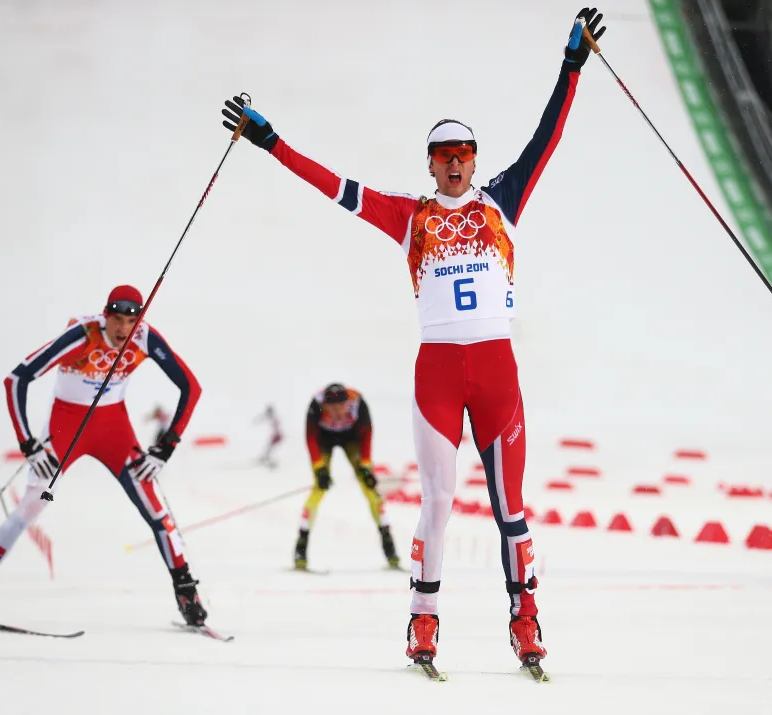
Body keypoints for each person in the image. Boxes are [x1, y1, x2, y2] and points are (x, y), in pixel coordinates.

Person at [221, 6, 606, 669]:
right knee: (437, 504)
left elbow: (548, 136)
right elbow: (335, 189)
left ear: (474, 160)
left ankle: (524, 617)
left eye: (462, 157)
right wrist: (270, 142)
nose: (454, 167)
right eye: (443, 158)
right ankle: (423, 620)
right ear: (429, 163)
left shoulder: (501, 200)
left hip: (494, 370)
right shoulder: (410, 214)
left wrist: (571, 64)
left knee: (511, 508)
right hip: (436, 371)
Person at [0, 286, 208, 626]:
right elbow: (16, 379)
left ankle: (187, 593)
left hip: (115, 433)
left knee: (155, 510)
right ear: (105, 315)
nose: (122, 330)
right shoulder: (83, 335)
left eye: (130, 322)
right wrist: (28, 443)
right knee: (36, 502)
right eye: (116, 320)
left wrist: (166, 447)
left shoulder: (145, 337)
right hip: (66, 431)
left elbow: (191, 387)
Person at [294, 384, 399, 570]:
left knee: (370, 490)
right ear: (324, 405)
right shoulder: (315, 405)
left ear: (347, 403)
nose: (335, 412)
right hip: (323, 440)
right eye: (330, 407)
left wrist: (366, 466)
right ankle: (300, 549)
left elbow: (367, 434)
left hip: (352, 440)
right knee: (319, 489)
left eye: (339, 407)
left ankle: (390, 549)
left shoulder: (358, 403)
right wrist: (320, 469)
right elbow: (310, 438)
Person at [255, 403, 283, 468]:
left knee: (269, 449)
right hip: (276, 436)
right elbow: (264, 417)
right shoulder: (272, 417)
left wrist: (275, 435)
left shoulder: (274, 418)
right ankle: (266, 458)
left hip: (277, 436)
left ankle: (269, 461)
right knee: (269, 448)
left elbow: (277, 427)